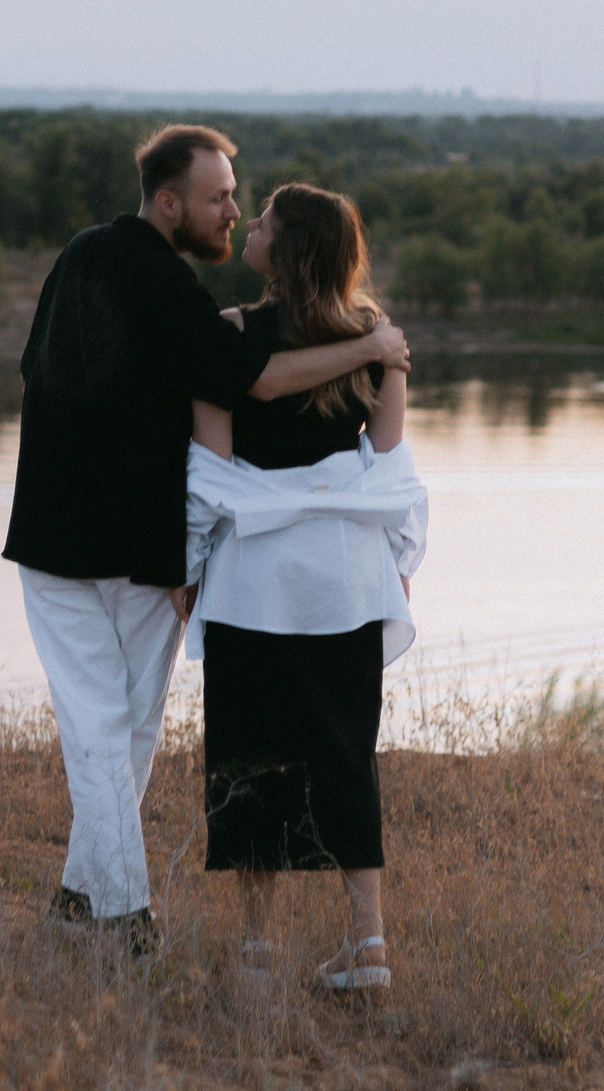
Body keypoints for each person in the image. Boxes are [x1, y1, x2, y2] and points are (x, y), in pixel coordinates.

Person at [2, 126, 409, 953]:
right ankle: (128, 915)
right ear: (167, 200)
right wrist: (371, 347)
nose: (231, 209)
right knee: (108, 733)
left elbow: (35, 370)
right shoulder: (174, 292)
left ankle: (83, 898)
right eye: (220, 196)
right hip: (101, 546)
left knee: (122, 735)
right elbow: (256, 381)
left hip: (135, 550)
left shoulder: (88, 260)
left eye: (238, 198)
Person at [183, 183, 426, 993]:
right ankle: (368, 945)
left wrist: (188, 567)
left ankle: (257, 951)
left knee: (254, 753)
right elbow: (388, 462)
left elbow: (208, 474)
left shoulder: (229, 334)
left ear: (286, 252)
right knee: (345, 751)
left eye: (262, 222)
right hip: (347, 580)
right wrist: (391, 558)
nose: (247, 226)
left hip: (255, 579)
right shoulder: (376, 342)